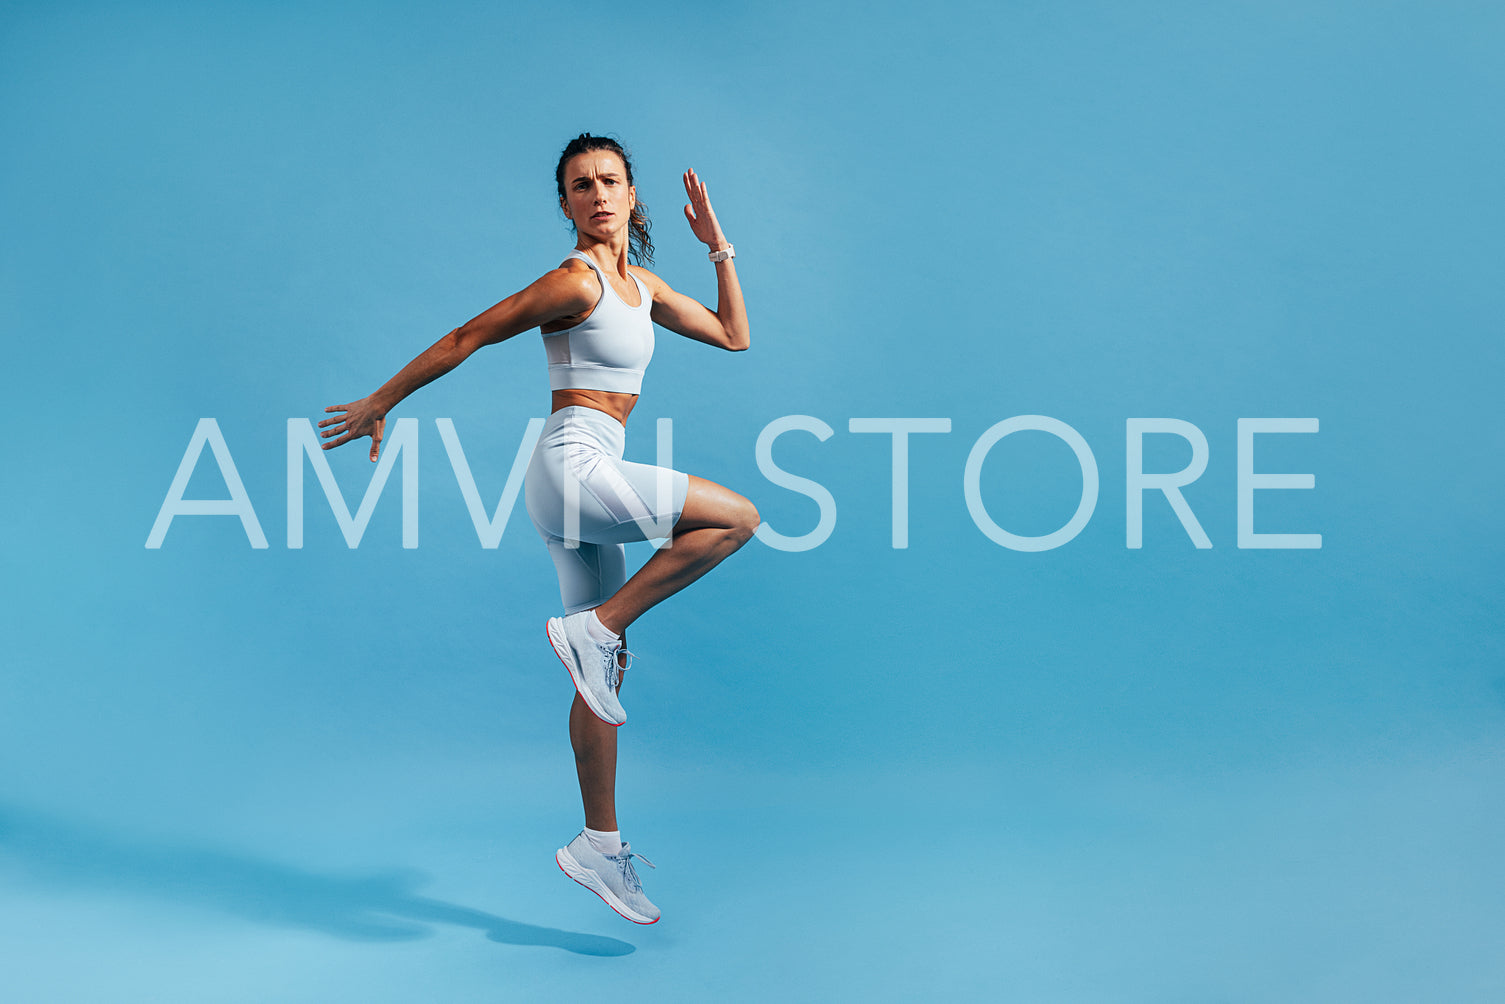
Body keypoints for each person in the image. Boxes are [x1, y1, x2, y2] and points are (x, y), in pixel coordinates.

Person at [319, 134, 759, 925]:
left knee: (601, 679)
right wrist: (382, 400)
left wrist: (717, 246)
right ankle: (594, 628)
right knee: (736, 521)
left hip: (585, 481)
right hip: (572, 468)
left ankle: (598, 842)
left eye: (609, 181)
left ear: (631, 196)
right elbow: (469, 336)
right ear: (565, 205)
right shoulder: (573, 280)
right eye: (579, 185)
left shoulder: (644, 286)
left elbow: (735, 335)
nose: (595, 194)